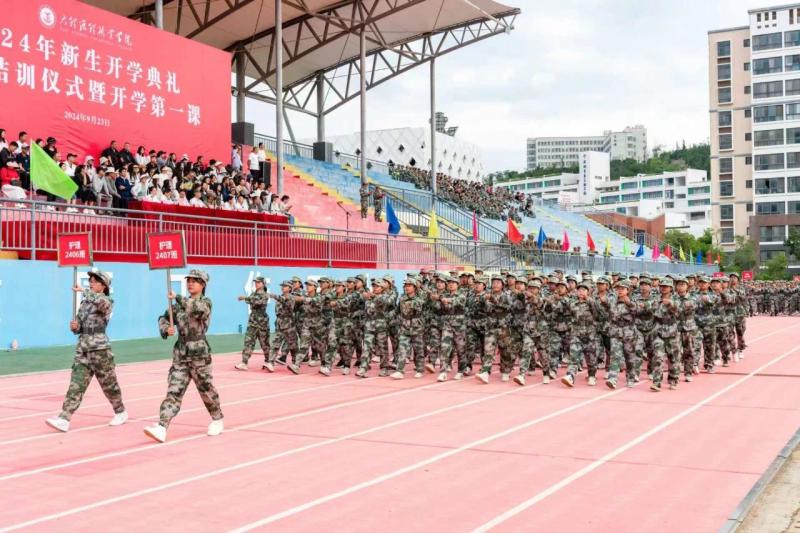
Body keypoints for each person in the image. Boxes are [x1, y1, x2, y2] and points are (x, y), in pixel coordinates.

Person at [144, 270, 223, 443]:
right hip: (181, 354)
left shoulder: (205, 302)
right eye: (189, 280)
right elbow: (163, 318)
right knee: (174, 391)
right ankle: (162, 426)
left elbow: (198, 310)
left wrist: (178, 297)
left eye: (195, 281)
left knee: (206, 390)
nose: (190, 283)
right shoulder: (178, 305)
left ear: (203, 285)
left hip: (199, 354)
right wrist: (166, 328)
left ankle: (217, 419)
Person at [46, 271, 127, 432]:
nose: (91, 283)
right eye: (90, 280)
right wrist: (75, 327)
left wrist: (83, 291)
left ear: (103, 286)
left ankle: (120, 411)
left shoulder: (106, 301)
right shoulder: (85, 303)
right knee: (76, 384)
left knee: (109, 385)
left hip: (100, 349)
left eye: (95, 281)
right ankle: (64, 418)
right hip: (83, 348)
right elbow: (80, 325)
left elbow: (103, 305)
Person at [235, 276, 271, 371]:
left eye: (258, 282)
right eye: (255, 282)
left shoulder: (265, 294)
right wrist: (248, 298)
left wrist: (245, 298)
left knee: (264, 343)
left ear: (263, 284)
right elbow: (251, 300)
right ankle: (244, 362)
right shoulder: (253, 294)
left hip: (262, 322)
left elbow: (258, 302)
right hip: (253, 321)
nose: (256, 284)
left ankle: (268, 362)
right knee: (248, 341)